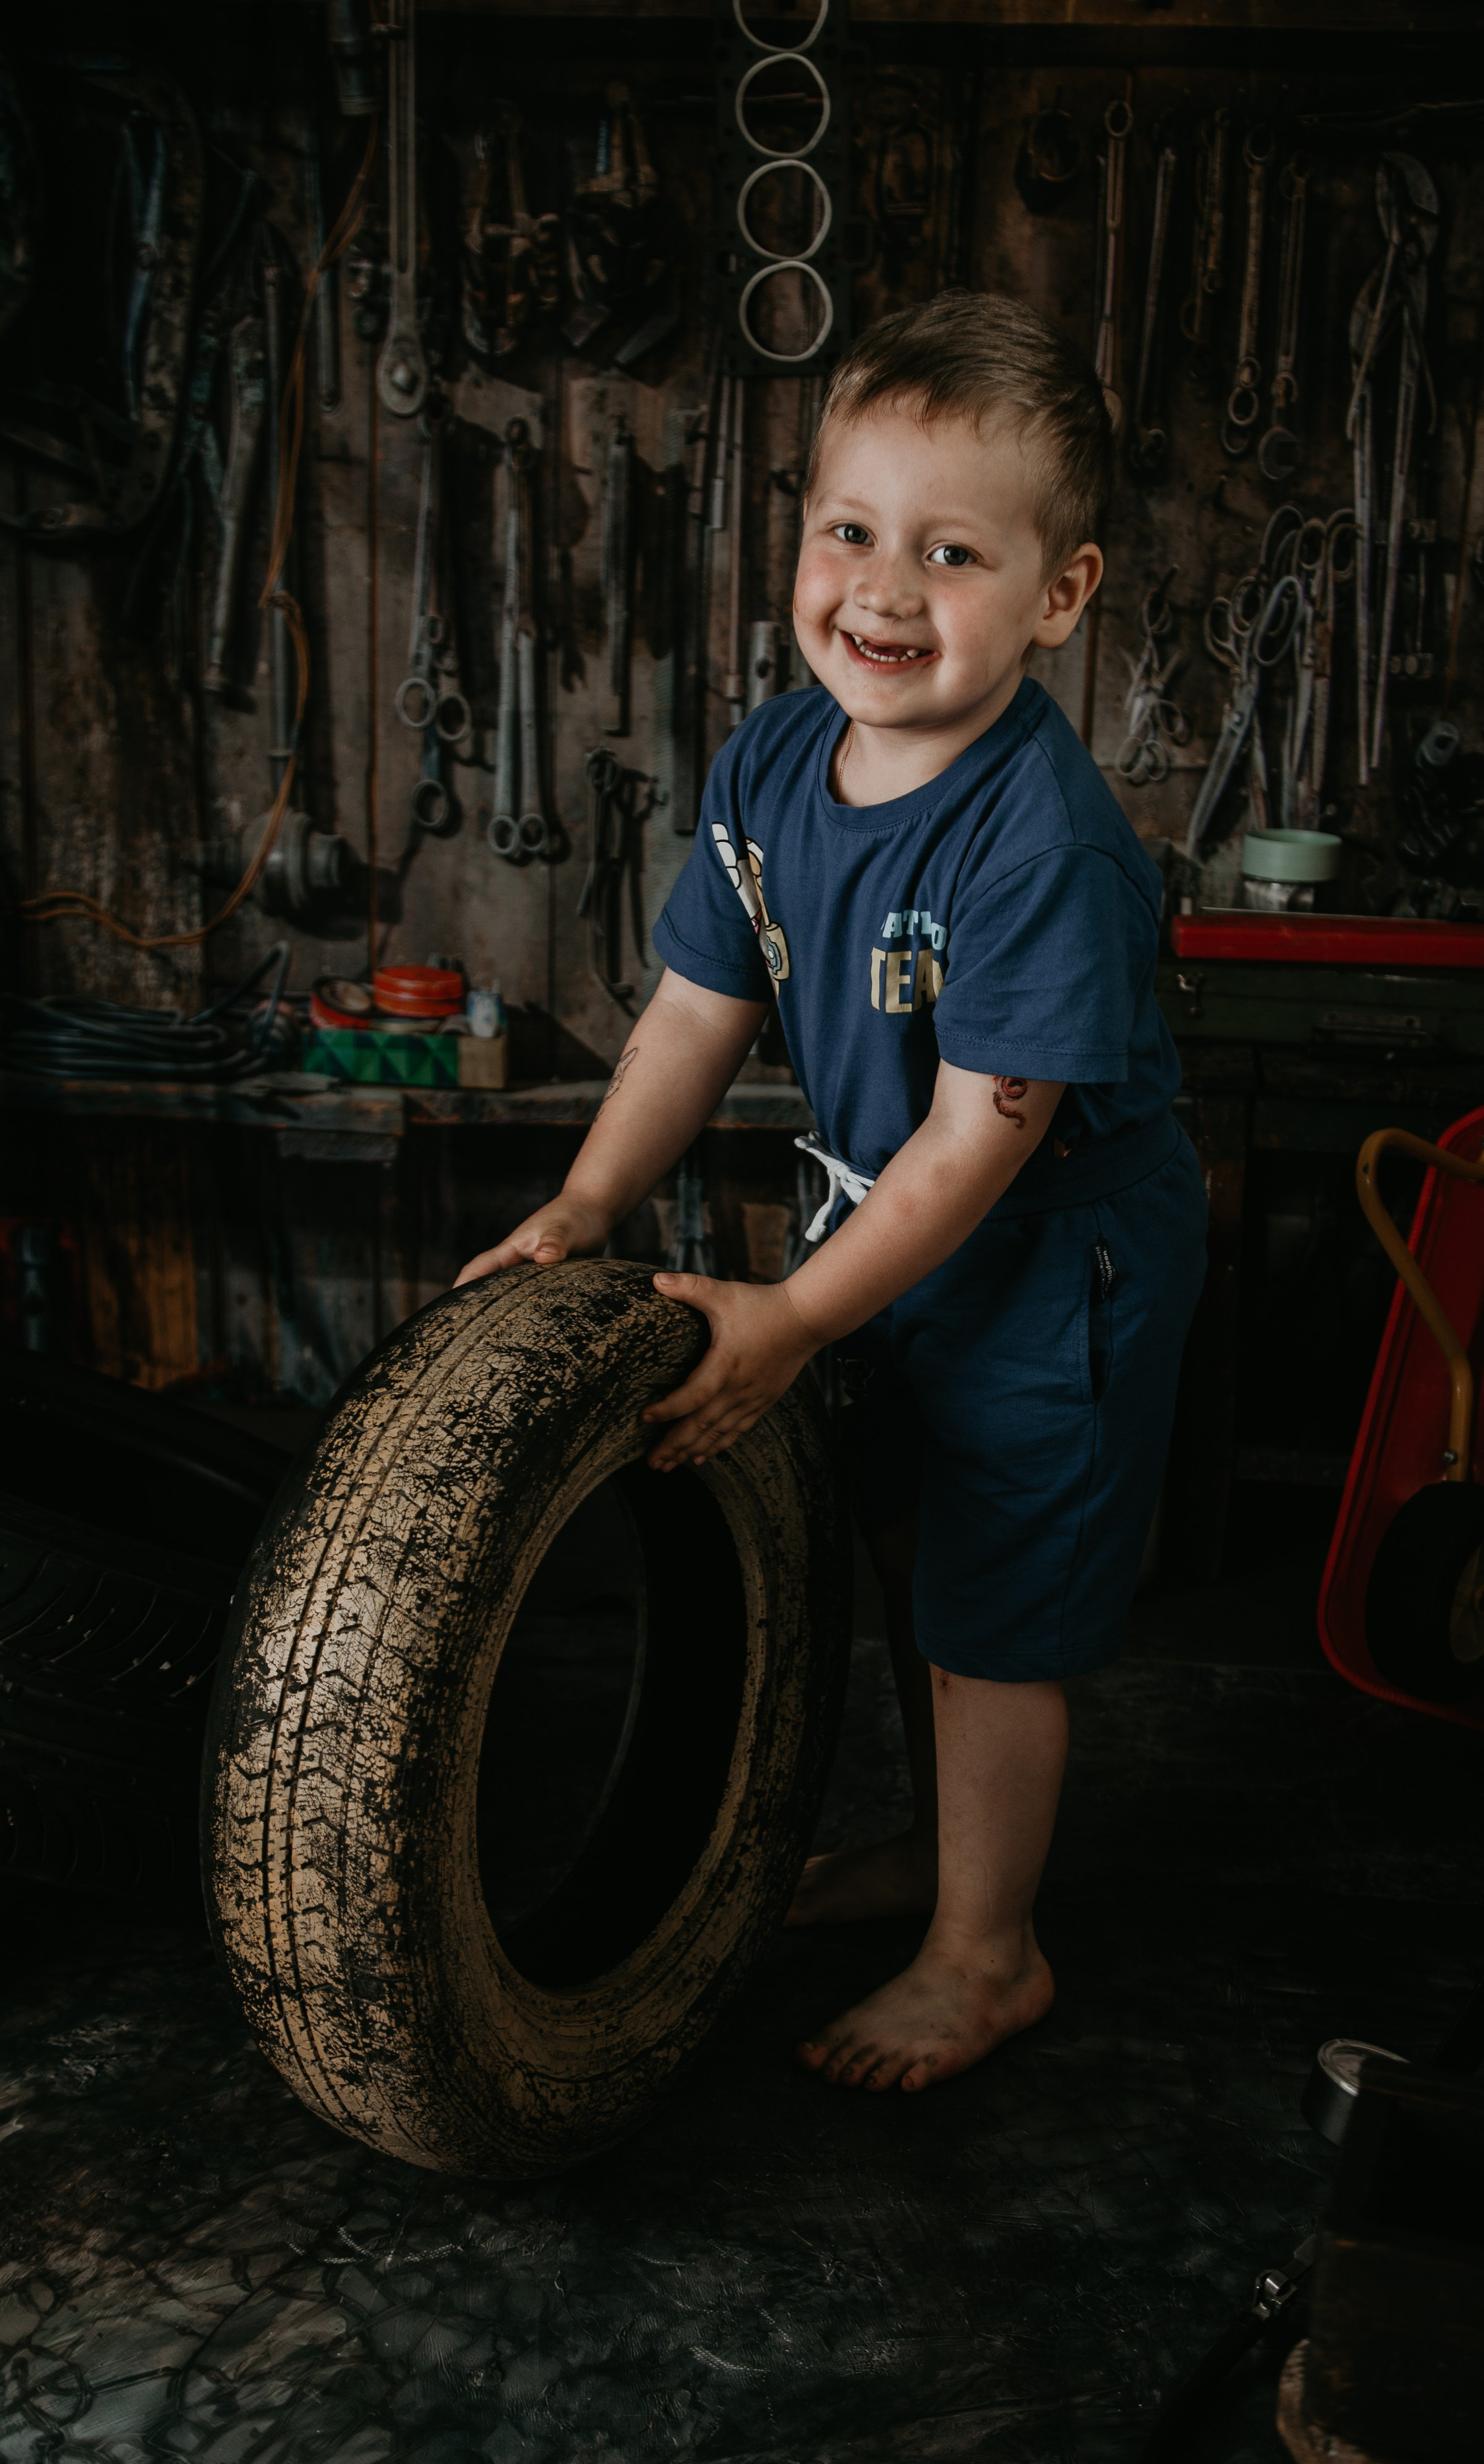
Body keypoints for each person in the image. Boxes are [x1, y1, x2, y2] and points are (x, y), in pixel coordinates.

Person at [457, 294, 1208, 2096]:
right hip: (891, 1237)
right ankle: (944, 1864)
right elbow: (695, 1011)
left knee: (989, 1627)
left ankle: (988, 1955)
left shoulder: (1041, 843)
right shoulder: (775, 763)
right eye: (851, 531)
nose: (883, 589)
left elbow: (979, 1144)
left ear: (1061, 596)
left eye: (952, 553)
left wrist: (794, 1313)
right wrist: (588, 1199)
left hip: (1051, 1271)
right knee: (903, 1563)